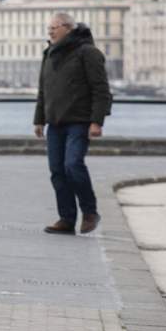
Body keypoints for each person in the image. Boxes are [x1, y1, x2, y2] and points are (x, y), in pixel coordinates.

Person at [33, 13, 111, 235]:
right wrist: (39, 119)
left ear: (68, 28)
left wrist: (97, 121)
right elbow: (43, 90)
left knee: (73, 165)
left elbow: (100, 89)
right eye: (48, 28)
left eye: (54, 28)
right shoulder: (49, 53)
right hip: (55, 123)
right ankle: (66, 219)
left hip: (80, 121)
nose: (50, 32)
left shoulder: (88, 53)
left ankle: (89, 211)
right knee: (57, 171)